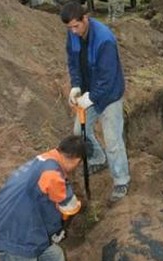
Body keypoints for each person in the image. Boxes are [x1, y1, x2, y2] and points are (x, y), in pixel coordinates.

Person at [60, 1, 131, 203]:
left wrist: (90, 98)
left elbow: (107, 79)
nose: (73, 31)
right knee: (79, 132)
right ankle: (98, 158)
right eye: (69, 27)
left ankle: (121, 180)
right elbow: (73, 62)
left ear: (86, 18)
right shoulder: (72, 35)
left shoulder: (104, 40)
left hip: (109, 96)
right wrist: (76, 86)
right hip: (89, 92)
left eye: (76, 26)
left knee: (113, 141)